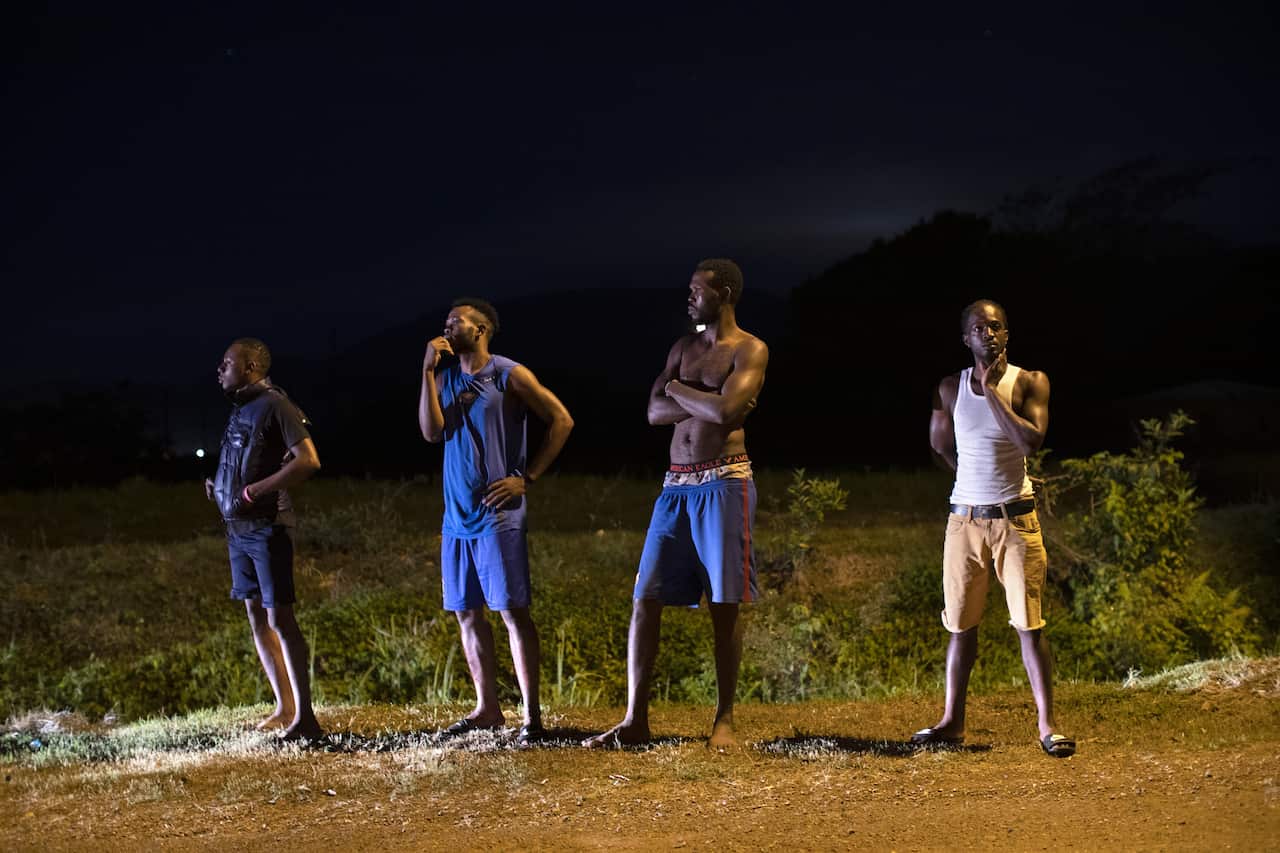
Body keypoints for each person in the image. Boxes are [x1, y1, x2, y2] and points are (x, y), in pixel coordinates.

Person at [583, 258, 768, 751]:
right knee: (645, 597)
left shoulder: (750, 349)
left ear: (724, 292)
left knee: (724, 604)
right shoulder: (682, 347)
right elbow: (652, 413)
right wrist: (700, 398)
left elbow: (726, 411)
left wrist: (677, 389)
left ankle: (724, 721)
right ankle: (634, 719)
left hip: (725, 482)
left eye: (697, 290)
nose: (689, 298)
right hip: (675, 485)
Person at [912, 299, 1075, 758]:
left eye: (996, 326)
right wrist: (973, 481)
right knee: (960, 627)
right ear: (965, 338)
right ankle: (951, 722)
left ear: (1007, 333)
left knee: (1030, 626)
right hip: (964, 520)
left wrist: (991, 390)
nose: (988, 333)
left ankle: (1048, 727)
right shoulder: (949, 387)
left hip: (1015, 521)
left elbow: (1030, 440)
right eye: (979, 328)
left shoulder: (1029, 382)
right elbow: (940, 447)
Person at [418, 296, 574, 745]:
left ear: (481, 329)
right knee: (467, 613)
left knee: (511, 612)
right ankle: (487, 709)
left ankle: (532, 717)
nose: (447, 327)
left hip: (498, 514)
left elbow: (562, 420)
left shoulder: (509, 373)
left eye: (457, 321)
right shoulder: (444, 376)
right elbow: (431, 432)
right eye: (446, 320)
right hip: (456, 516)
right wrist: (427, 371)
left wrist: (527, 477)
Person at [205, 338, 324, 742]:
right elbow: (244, 462)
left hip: (268, 527)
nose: (219, 369)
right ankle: (284, 707)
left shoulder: (275, 404)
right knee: (257, 616)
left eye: (227, 363)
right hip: (237, 530)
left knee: (280, 618)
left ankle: (305, 718)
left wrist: (258, 491)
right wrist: (219, 486)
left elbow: (308, 459)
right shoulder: (242, 408)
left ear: (251, 365)